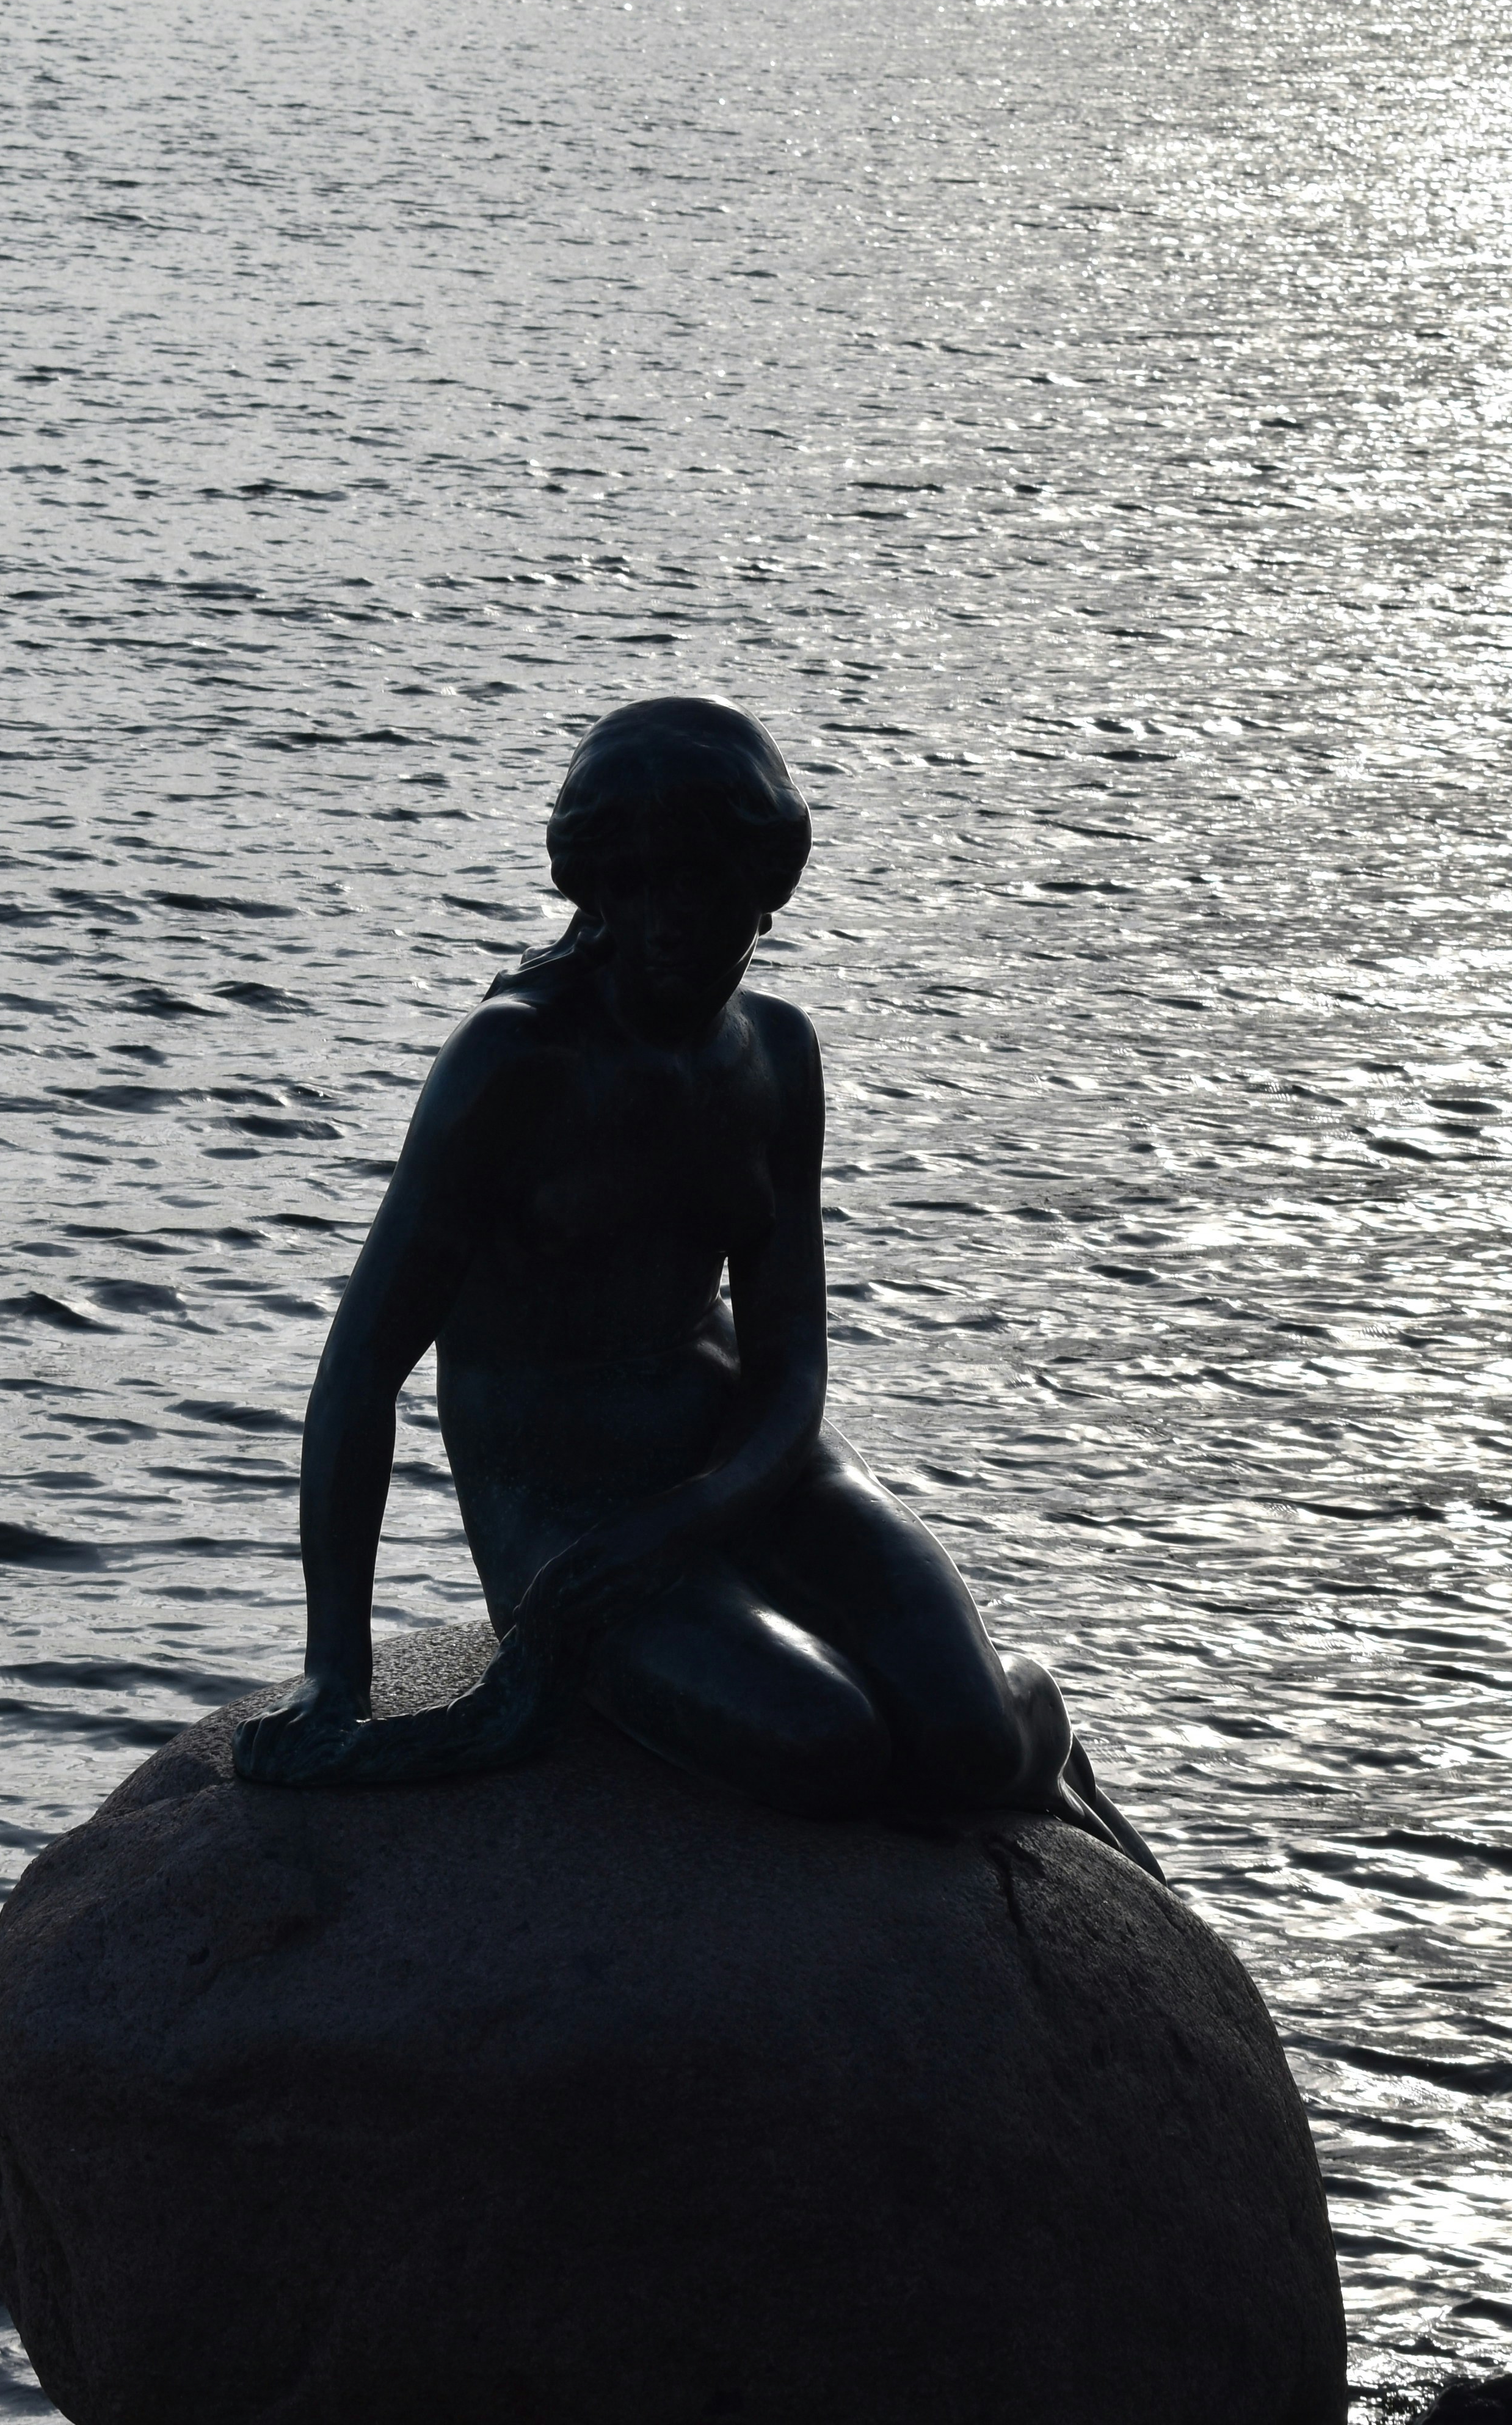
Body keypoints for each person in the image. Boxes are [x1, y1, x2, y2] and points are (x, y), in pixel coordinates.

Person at [231, 696, 1159, 1873]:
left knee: (975, 1742)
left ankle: (1034, 1719)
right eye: (636, 882)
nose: (667, 919)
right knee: (826, 1745)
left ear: (763, 887)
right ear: (596, 885)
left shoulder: (775, 1054)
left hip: (755, 1465)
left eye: (703, 882)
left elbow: (791, 1362)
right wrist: (336, 1672)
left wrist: (705, 1504)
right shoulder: (513, 1063)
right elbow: (361, 1369)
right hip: (568, 1510)